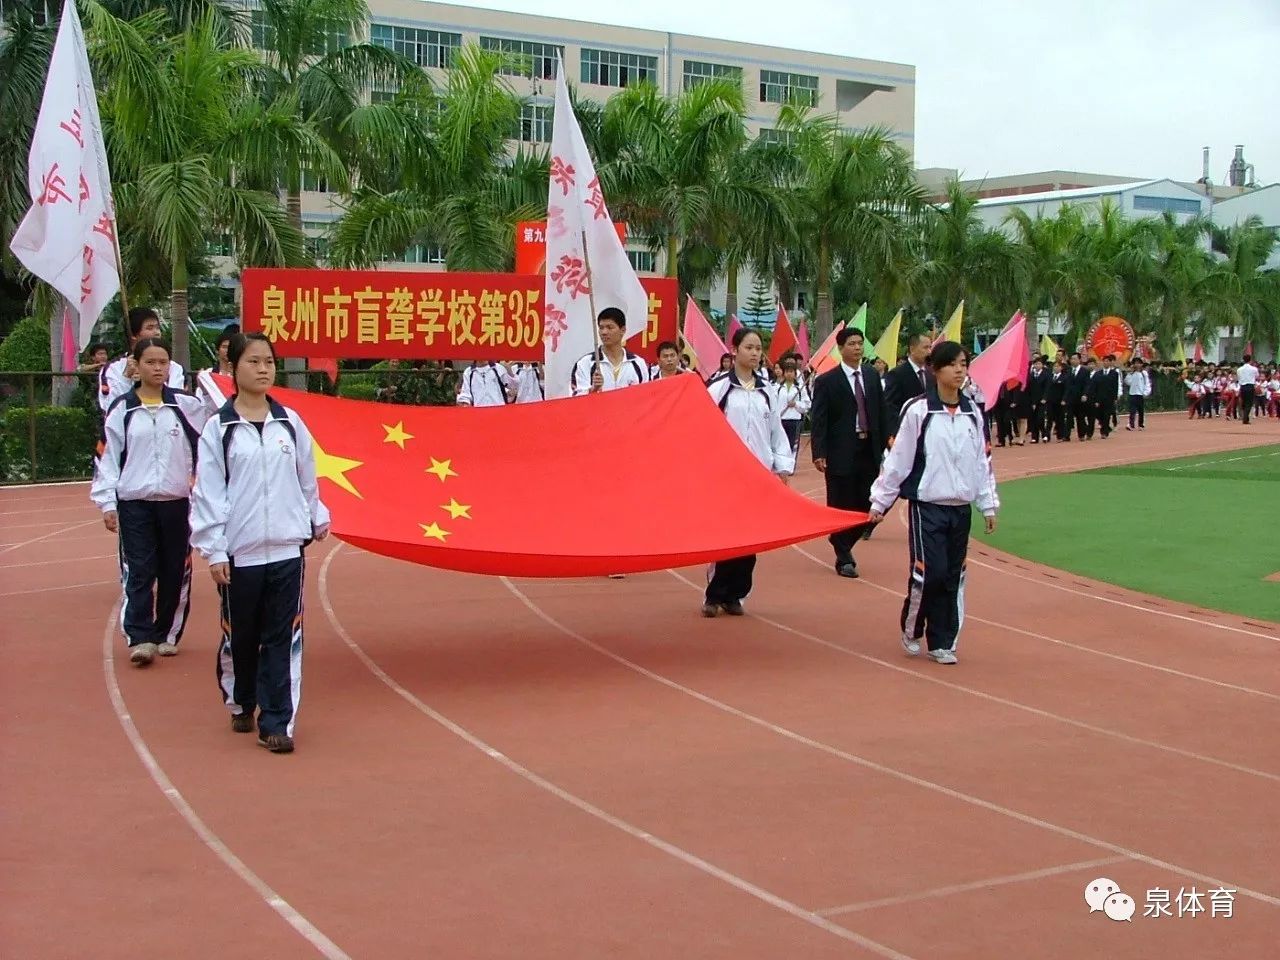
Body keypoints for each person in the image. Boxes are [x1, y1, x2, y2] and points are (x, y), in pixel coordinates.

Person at [190, 334, 331, 754]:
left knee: (282, 637)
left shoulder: (290, 423)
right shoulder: (220, 429)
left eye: (269, 361)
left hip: (287, 549)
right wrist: (215, 549)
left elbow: (307, 477)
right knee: (241, 636)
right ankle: (242, 700)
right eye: (253, 361)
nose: (264, 369)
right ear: (233, 368)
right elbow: (208, 493)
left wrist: (315, 516)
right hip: (240, 552)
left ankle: (276, 721)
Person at [868, 341, 999, 665]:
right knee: (931, 573)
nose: (959, 370)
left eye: (964, 364)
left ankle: (943, 641)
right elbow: (899, 459)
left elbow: (982, 461)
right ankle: (912, 628)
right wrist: (880, 501)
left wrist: (988, 503)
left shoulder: (972, 412)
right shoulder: (919, 410)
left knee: (954, 575)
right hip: (927, 506)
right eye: (952, 364)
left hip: (960, 508)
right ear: (935, 369)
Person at [91, 338, 212, 666]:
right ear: (137, 365)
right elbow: (108, 459)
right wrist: (107, 503)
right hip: (135, 503)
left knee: (176, 569)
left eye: (163, 362)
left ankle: (167, 634)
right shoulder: (123, 409)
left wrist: (214, 381)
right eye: (151, 362)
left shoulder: (185, 406)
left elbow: (216, 419)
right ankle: (140, 636)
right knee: (140, 569)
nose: (158, 368)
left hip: (176, 501)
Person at [701, 329, 794, 616]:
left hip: (758, 475)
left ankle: (736, 595)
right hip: (726, 475)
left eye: (758, 348)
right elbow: (703, 427)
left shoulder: (768, 391)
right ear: (735, 350)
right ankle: (714, 595)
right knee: (727, 535)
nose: (754, 353)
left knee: (752, 537)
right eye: (748, 347)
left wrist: (782, 467)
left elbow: (776, 433)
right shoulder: (718, 388)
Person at [810, 327, 890, 578]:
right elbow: (819, 419)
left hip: (869, 448)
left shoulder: (871, 375)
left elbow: (881, 410)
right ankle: (844, 557)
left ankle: (840, 540)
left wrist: (889, 438)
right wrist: (819, 452)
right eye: (852, 344)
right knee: (840, 503)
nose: (857, 348)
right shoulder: (827, 380)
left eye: (860, 343)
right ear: (841, 348)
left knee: (869, 504)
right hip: (840, 450)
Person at [100, 308, 186, 413]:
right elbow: (109, 406)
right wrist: (126, 378)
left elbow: (178, 403)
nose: (157, 333)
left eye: (157, 328)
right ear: (133, 335)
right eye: (150, 328)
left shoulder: (174, 367)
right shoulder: (113, 369)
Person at [571, 308, 651, 395]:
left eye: (610, 327)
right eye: (601, 328)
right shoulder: (585, 363)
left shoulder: (638, 364)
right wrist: (592, 390)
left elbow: (646, 397)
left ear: (623, 330)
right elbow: (574, 400)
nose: (604, 332)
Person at [882, 333, 933, 440]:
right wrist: (895, 433)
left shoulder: (932, 373)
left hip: (929, 431)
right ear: (912, 349)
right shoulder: (897, 374)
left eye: (930, 347)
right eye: (925, 347)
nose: (929, 352)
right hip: (906, 432)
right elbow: (890, 406)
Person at [775, 359, 810, 456]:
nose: (789, 374)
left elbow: (807, 405)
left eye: (791, 372)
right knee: (781, 445)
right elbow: (773, 405)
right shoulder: (778, 388)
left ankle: (791, 466)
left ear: (795, 373)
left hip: (794, 420)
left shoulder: (800, 389)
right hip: (781, 419)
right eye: (787, 371)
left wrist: (796, 404)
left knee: (792, 446)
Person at [1091, 354, 1120, 438]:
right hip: (1099, 398)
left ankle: (1104, 432)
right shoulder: (1098, 373)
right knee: (1098, 414)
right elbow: (1094, 386)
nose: (1106, 363)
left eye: (1107, 361)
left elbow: (1115, 386)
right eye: (1104, 361)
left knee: (1107, 415)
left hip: (1109, 398)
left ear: (1110, 363)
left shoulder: (1114, 373)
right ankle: (1106, 427)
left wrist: (1115, 397)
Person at [1025, 356, 1050, 443]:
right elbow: (1029, 389)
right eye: (1035, 364)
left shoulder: (1046, 375)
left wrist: (1044, 398)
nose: (1037, 365)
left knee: (1040, 418)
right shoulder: (1031, 375)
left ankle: (1045, 434)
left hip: (1042, 400)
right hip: (1033, 401)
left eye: (1039, 364)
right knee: (1033, 419)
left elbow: (1047, 388)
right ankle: (1034, 437)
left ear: (1042, 365)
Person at [1065, 352, 1089, 441]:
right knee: (1068, 417)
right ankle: (1066, 435)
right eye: (1072, 359)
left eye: (1075, 359)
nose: (1073, 361)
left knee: (1080, 417)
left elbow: (1087, 384)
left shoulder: (1085, 371)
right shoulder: (1068, 371)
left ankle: (1081, 435)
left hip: (1080, 397)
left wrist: (1085, 394)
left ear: (1079, 360)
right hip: (1070, 398)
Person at [1124, 358, 1152, 430]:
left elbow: (1147, 383)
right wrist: (1130, 373)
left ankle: (1141, 424)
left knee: (1141, 410)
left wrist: (1146, 392)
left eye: (1138, 363)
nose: (1137, 365)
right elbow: (1128, 382)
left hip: (1140, 394)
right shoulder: (1132, 373)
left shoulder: (1144, 373)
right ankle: (1131, 424)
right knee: (1132, 410)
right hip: (1132, 393)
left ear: (1141, 364)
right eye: (1135, 363)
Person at [1237, 354, 1259, 425]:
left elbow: (1239, 378)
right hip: (1250, 386)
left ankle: (1245, 417)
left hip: (1242, 386)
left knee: (1244, 402)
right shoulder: (1254, 369)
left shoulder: (1239, 369)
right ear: (1250, 360)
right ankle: (1245, 418)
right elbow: (1257, 376)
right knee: (1249, 403)